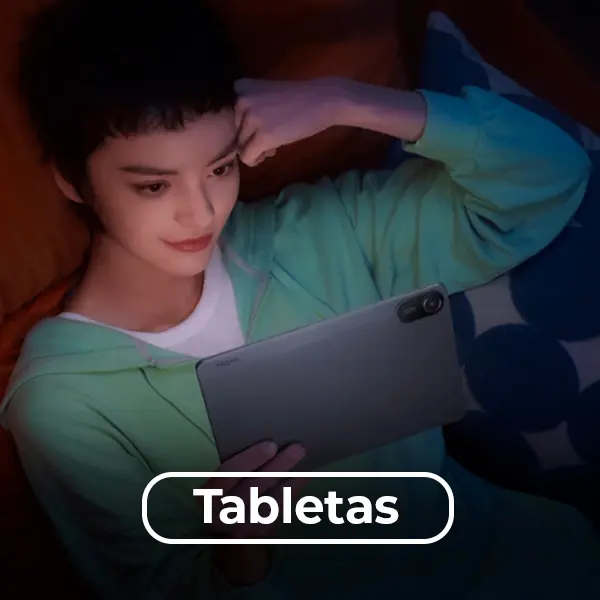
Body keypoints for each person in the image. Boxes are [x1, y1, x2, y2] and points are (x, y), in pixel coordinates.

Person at [1, 0, 598, 598]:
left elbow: (549, 178)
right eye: (154, 186)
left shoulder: (315, 234)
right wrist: (240, 554)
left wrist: (349, 101)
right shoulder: (65, 403)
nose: (201, 211)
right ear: (73, 181)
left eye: (220, 168)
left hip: (532, 562)